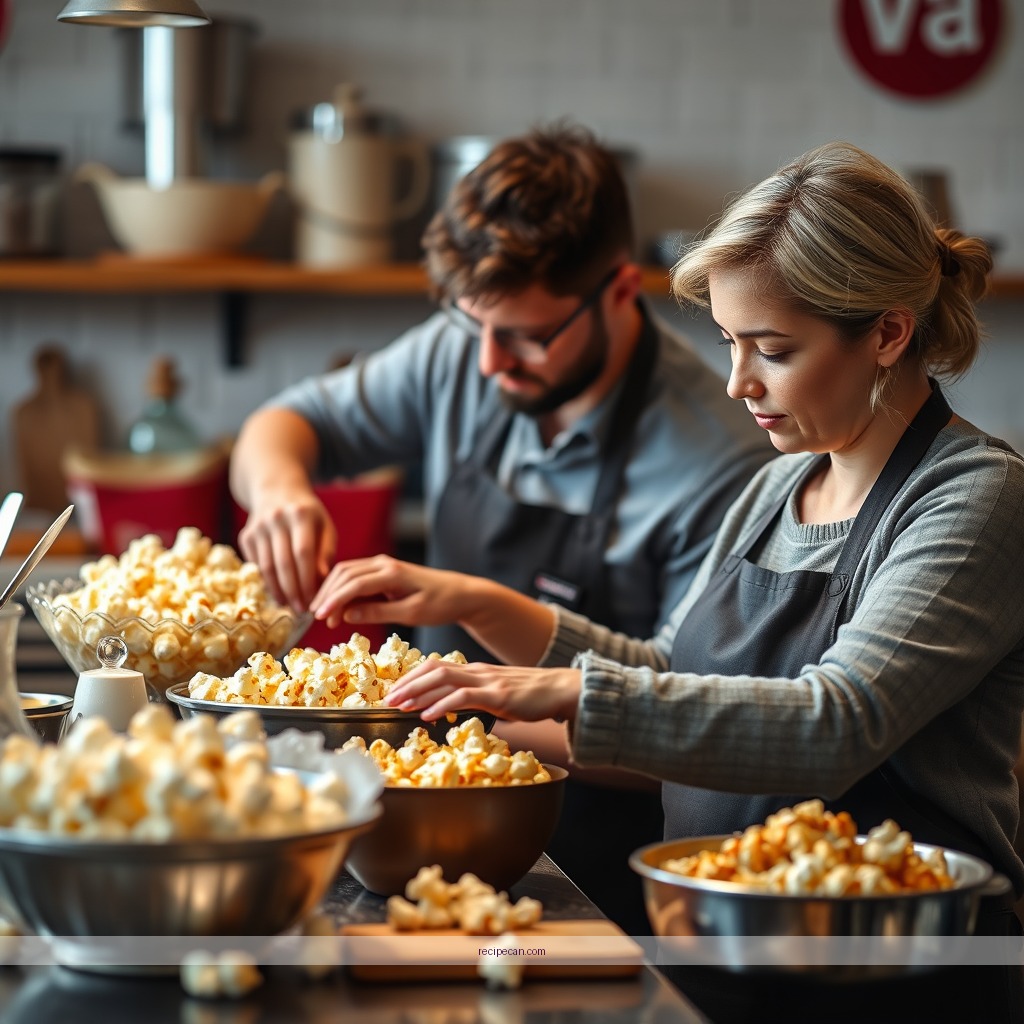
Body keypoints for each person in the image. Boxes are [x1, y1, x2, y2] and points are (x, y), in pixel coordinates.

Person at [312, 141, 1024, 1021]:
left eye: (772, 348)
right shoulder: (776, 486)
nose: (737, 382)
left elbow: (839, 721)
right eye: (729, 342)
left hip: (891, 974)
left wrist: (562, 690)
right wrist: (471, 606)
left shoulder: (974, 496)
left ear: (887, 330)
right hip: (722, 941)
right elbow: (668, 668)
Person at [229, 123, 774, 934]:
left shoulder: (714, 464)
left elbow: (683, 740)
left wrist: (457, 715)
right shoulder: (470, 346)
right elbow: (283, 425)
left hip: (586, 868)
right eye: (472, 325)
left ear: (621, 290)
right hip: (403, 818)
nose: (488, 364)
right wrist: (278, 495)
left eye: (524, 337)